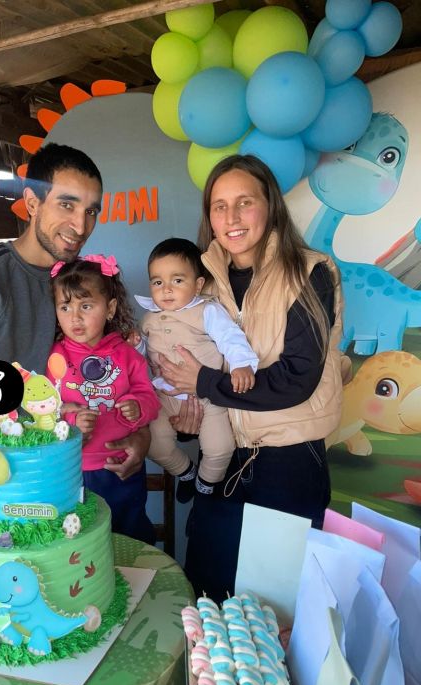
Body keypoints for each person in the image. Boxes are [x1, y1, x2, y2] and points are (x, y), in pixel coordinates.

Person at [0, 143, 150, 481]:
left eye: (91, 211)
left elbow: (112, 376)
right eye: (67, 204)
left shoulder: (79, 281)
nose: (81, 226)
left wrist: (142, 435)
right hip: (2, 483)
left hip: (72, 472)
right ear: (33, 203)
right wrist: (33, 425)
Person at [158, 155, 343, 601]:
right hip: (224, 458)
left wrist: (205, 384)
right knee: (208, 595)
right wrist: (187, 419)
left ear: (271, 204)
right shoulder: (200, 284)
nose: (232, 218)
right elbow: (187, 366)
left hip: (288, 462)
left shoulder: (309, 272)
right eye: (219, 206)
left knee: (276, 608)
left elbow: (297, 377)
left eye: (245, 202)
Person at [135, 237, 258, 503]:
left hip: (207, 397)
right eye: (158, 282)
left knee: (220, 448)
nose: (167, 289)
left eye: (177, 280)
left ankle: (205, 485)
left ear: (198, 284)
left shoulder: (207, 311)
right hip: (164, 397)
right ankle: (187, 472)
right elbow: (143, 357)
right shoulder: (148, 318)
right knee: (153, 445)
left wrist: (241, 364)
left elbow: (230, 337)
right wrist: (137, 346)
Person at [49, 255, 160, 543]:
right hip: (71, 471)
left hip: (119, 468)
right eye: (65, 307)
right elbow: (44, 409)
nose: (75, 317)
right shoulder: (53, 357)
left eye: (86, 306)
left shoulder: (127, 355)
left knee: (129, 537)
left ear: (110, 308)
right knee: (80, 543)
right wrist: (71, 419)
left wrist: (137, 407)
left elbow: (150, 399)